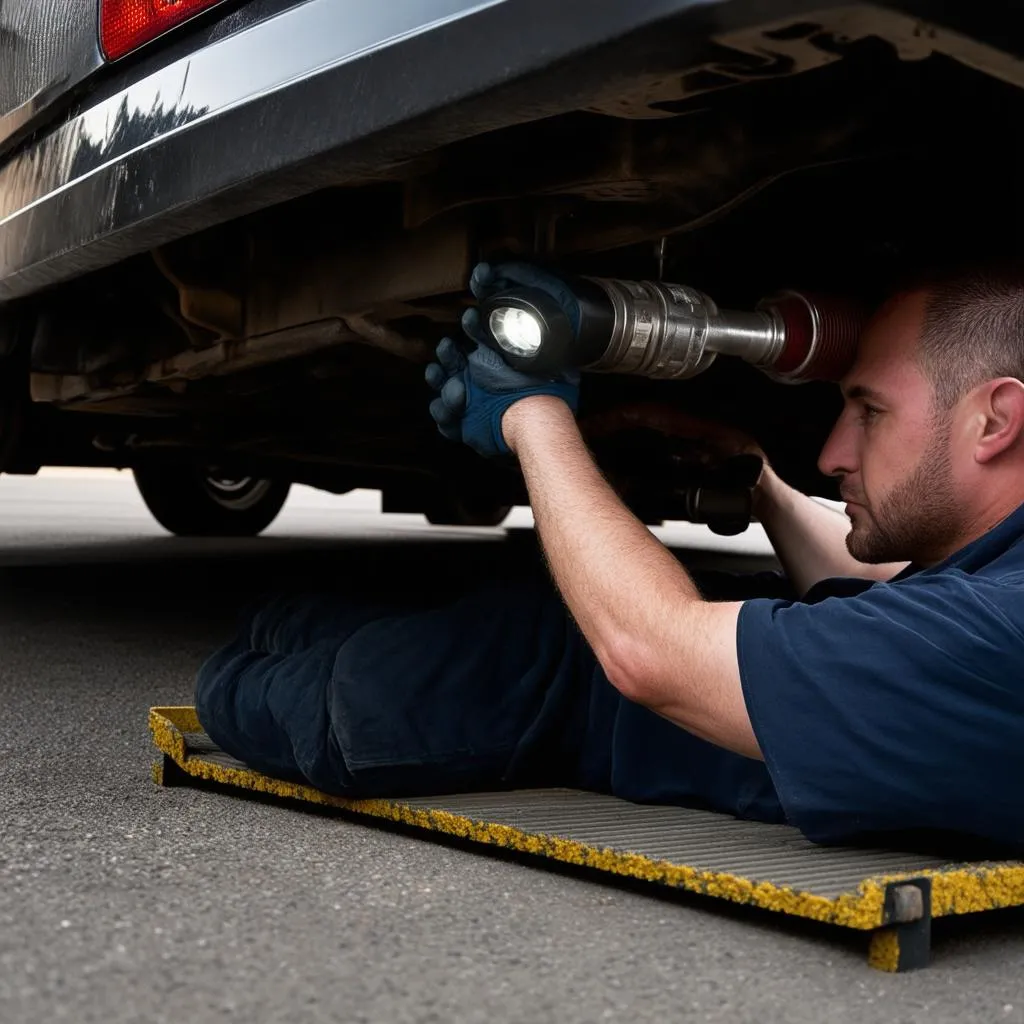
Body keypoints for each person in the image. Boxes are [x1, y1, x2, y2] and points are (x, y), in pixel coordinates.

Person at [195, 263, 1024, 850]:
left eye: (869, 411)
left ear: (994, 420)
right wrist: (761, 481)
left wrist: (530, 414)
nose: (835, 450)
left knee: (260, 691)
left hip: (530, 702)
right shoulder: (992, 596)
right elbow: (888, 608)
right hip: (552, 646)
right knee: (302, 612)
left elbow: (645, 655)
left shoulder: (1001, 637)